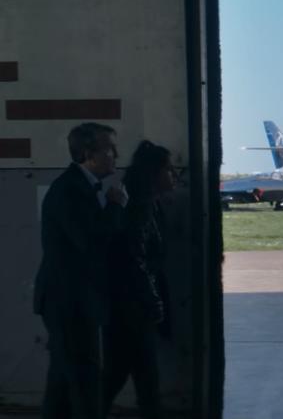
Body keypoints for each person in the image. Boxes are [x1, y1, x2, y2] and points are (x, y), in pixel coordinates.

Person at [34, 123, 127, 419]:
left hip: (70, 300)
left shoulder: (78, 187)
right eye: (109, 148)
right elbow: (90, 242)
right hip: (69, 302)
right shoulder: (70, 190)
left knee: (62, 384)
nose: (116, 154)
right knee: (85, 380)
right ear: (88, 154)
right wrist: (114, 207)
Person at [103, 140, 177, 419]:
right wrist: (152, 301)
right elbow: (134, 260)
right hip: (131, 307)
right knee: (136, 373)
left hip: (130, 305)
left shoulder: (144, 205)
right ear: (154, 174)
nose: (173, 175)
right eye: (168, 170)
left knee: (128, 372)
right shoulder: (140, 208)